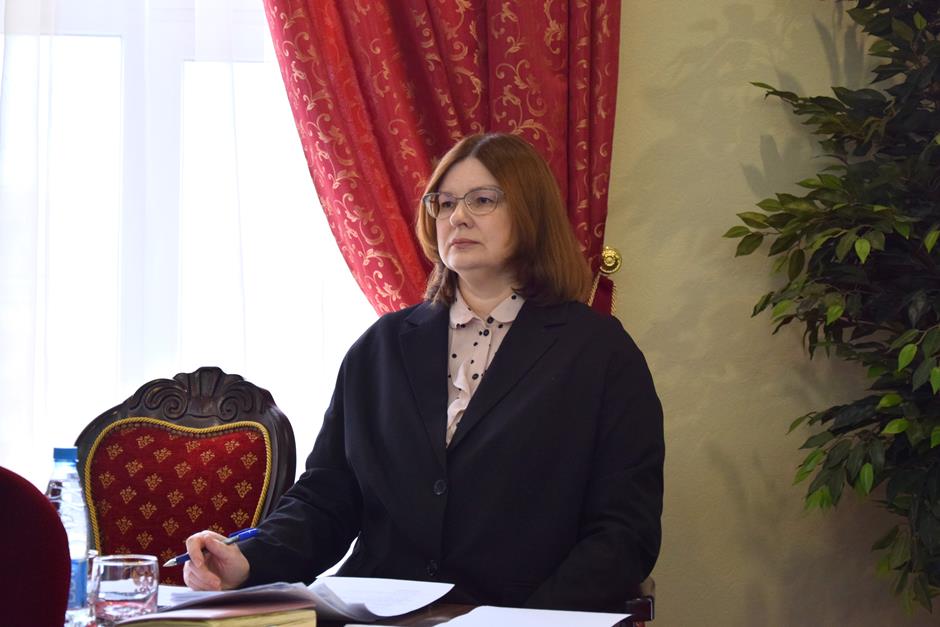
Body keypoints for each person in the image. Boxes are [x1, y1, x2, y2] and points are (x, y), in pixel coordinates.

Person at [182, 132, 664, 612]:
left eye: (482, 200)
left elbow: (625, 532)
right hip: (372, 615)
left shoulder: (600, 352)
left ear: (531, 211)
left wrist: (530, 620)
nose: (457, 217)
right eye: (445, 203)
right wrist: (248, 560)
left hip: (520, 616)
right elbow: (327, 499)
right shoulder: (380, 346)